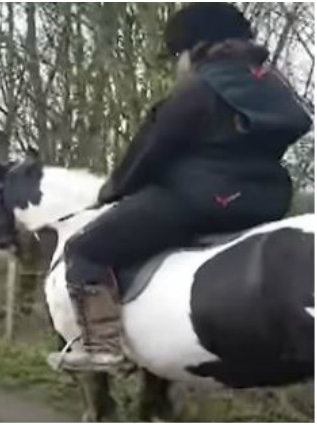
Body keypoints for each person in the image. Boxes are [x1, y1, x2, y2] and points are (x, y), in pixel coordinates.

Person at [61, 2, 312, 371]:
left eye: (176, 55)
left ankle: (101, 346)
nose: (176, 65)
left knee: (85, 249)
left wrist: (111, 194)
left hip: (198, 202)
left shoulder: (200, 88)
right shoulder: (273, 87)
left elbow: (149, 152)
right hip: (267, 202)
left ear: (195, 47)